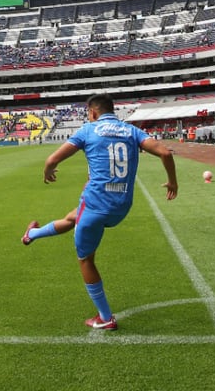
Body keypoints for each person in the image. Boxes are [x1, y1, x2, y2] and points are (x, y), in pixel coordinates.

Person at [21, 94, 178, 331]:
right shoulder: (131, 131)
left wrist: (48, 171)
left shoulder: (88, 130)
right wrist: (173, 183)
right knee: (72, 217)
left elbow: (52, 159)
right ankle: (31, 235)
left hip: (95, 205)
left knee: (85, 259)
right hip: (121, 206)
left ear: (93, 112)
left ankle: (105, 317)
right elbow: (165, 152)